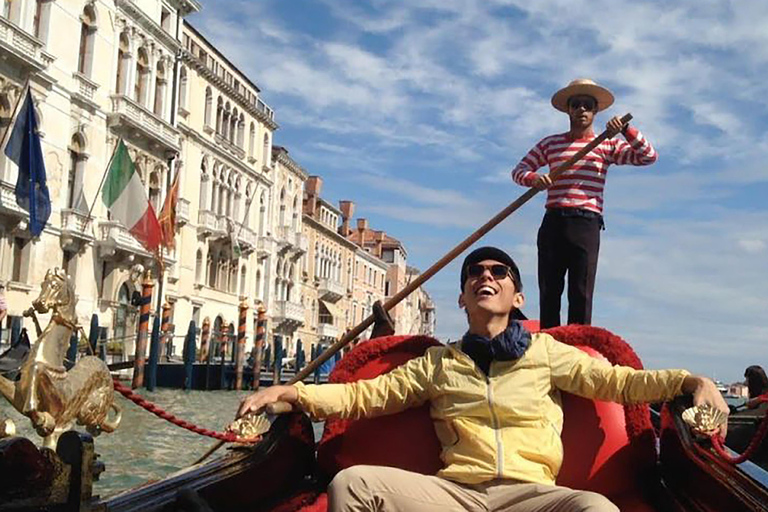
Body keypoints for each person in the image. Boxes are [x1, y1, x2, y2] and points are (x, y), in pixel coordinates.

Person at [238, 246, 728, 512]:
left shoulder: (546, 353)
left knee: (596, 510)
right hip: (457, 494)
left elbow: (621, 384)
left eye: (499, 271)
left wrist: (692, 382)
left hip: (531, 495)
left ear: (516, 297)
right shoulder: (440, 364)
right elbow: (366, 396)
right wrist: (291, 393)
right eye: (475, 272)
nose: (484, 275)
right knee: (354, 485)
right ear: (463, 299)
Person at [512, 78, 658, 329]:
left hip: (586, 223)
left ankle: (578, 347)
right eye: (576, 104)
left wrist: (625, 130)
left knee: (581, 290)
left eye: (587, 105)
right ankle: (548, 340)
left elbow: (647, 157)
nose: (581, 109)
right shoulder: (551, 144)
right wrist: (535, 179)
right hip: (554, 221)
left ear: (595, 111)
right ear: (568, 110)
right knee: (549, 289)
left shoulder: (607, 144)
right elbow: (519, 170)